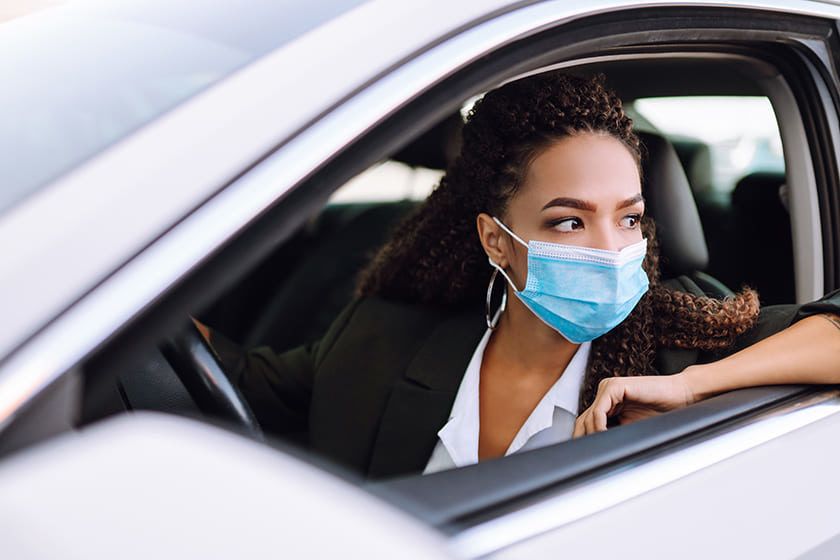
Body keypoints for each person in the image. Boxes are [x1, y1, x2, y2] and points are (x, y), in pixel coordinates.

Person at [203, 72, 840, 480]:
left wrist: (698, 387)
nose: (610, 247)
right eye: (568, 222)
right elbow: (245, 383)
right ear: (495, 240)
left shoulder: (690, 335)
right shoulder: (389, 335)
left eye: (629, 219)